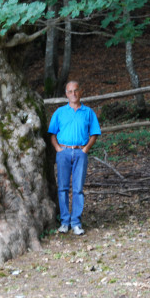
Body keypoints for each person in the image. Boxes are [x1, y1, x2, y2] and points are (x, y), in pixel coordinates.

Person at [48, 81, 101, 235]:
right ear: (66, 94)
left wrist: (85, 149)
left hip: (80, 153)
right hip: (63, 152)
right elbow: (52, 134)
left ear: (81, 92)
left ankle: (76, 222)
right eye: (70, 91)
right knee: (63, 188)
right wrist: (58, 149)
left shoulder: (88, 112)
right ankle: (65, 222)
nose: (73, 94)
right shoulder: (59, 112)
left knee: (78, 188)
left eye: (76, 91)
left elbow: (95, 133)